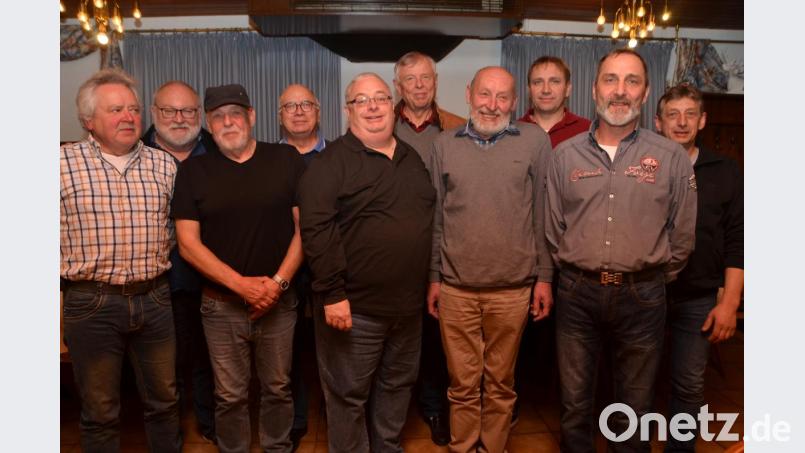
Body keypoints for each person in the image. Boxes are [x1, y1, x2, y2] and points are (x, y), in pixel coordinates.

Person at [545, 49, 698, 452]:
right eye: (611, 79)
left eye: (632, 81)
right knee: (575, 404)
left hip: (643, 296)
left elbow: (682, 236)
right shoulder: (565, 156)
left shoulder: (671, 158)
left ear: (645, 94)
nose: (620, 91)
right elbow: (552, 227)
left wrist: (654, 276)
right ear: (594, 89)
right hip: (576, 294)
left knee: (634, 405)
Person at [298, 73, 435, 453]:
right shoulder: (329, 164)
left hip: (407, 310)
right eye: (362, 100)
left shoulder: (411, 158)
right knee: (347, 397)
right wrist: (332, 294)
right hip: (354, 310)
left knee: (396, 388)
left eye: (380, 98)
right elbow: (316, 230)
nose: (373, 106)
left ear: (393, 106)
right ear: (347, 111)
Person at [172, 83, 306, 453]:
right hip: (220, 307)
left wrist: (276, 285)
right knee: (229, 395)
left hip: (279, 302)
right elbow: (188, 244)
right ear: (208, 126)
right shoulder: (193, 171)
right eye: (218, 117)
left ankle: (277, 447)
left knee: (278, 388)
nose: (228, 122)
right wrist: (243, 287)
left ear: (251, 117)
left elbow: (305, 229)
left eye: (235, 114)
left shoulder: (286, 159)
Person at [428, 66, 554, 453]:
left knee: (500, 383)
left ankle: (494, 447)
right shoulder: (444, 144)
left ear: (516, 102)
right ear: (469, 94)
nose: (492, 104)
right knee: (462, 383)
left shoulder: (535, 142)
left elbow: (542, 214)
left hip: (513, 289)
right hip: (456, 289)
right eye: (485, 94)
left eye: (502, 97)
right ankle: (463, 447)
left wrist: (544, 277)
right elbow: (436, 217)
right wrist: (434, 276)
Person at [61, 68, 182, 452]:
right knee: (100, 410)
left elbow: (177, 229)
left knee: (164, 402)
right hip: (90, 302)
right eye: (115, 110)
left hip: (156, 299)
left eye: (132, 109)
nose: (128, 117)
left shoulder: (164, 164)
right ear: (89, 121)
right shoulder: (59, 164)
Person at [655, 84, 743, 452]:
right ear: (658, 123)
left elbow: (740, 239)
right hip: (646, 294)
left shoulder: (726, 171)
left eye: (690, 114)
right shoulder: (645, 167)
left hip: (700, 298)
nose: (681, 122)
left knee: (688, 385)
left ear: (702, 120)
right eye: (673, 115)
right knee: (633, 385)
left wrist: (730, 303)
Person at [391, 50, 465, 446]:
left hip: (445, 248)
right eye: (410, 80)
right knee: (399, 339)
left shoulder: (457, 127)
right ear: (397, 87)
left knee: (439, 339)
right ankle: (395, 413)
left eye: (426, 78)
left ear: (435, 82)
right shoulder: (379, 125)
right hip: (395, 252)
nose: (419, 85)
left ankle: (435, 407)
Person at [141, 80, 218, 443]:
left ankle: (210, 426)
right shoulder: (135, 156)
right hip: (159, 286)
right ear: (154, 113)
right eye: (169, 111)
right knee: (164, 371)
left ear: (199, 115)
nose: (179, 118)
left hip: (215, 282)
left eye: (187, 110)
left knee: (211, 363)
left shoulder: (221, 152)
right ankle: (168, 437)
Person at [277, 82, 327, 450]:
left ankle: (333, 413)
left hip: (329, 269)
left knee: (334, 347)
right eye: (289, 106)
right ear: (280, 115)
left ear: (318, 110)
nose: (298, 111)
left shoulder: (339, 155)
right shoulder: (265, 159)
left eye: (305, 104)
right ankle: (294, 419)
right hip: (284, 271)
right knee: (288, 351)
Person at [519, 56, 591, 148]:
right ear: (529, 90)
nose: (546, 90)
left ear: (568, 89)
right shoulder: (512, 133)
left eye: (554, 82)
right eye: (538, 82)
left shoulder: (587, 131)